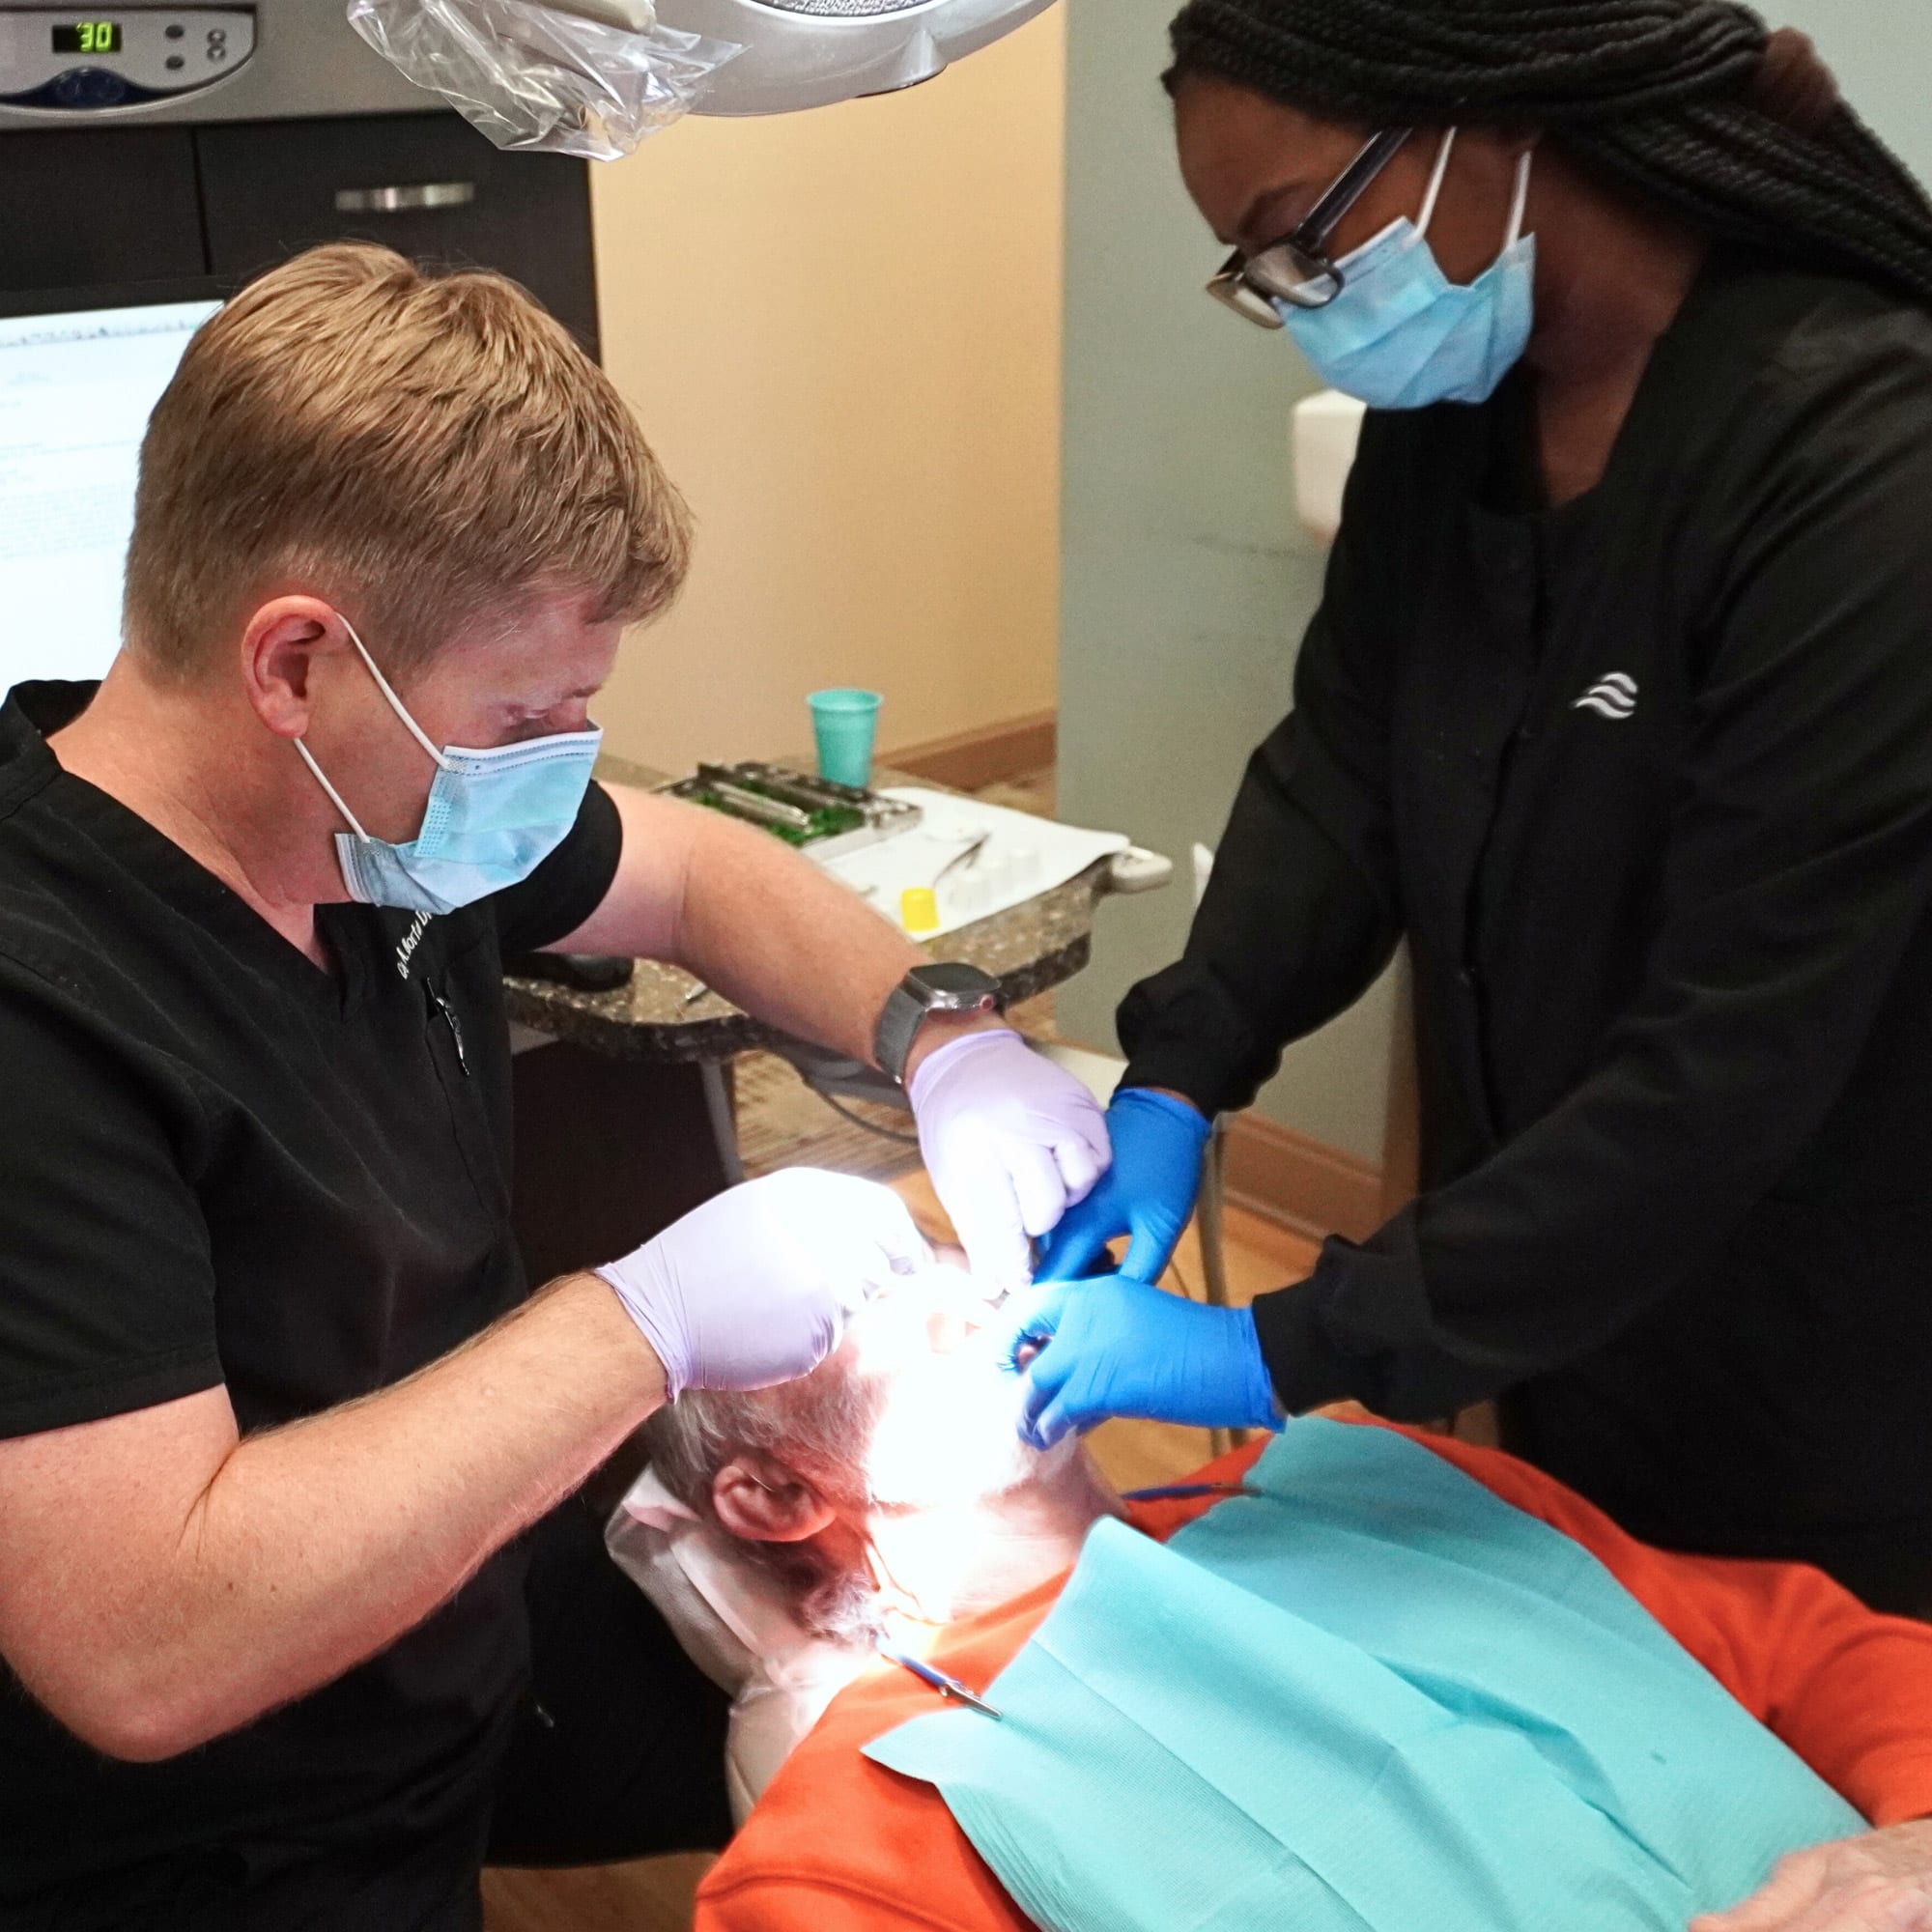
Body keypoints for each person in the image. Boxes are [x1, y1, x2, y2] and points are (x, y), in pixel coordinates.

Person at [0, 242, 1110, 1928]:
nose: (555, 767)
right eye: (526, 714)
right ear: (294, 665)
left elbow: (691, 872)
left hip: (452, 1647)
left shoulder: (374, 828)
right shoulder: (48, 1015)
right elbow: (143, 1648)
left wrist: (938, 1036)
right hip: (207, 1835)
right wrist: (644, 1321)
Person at [1022, 0, 1932, 1617]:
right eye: (1261, 273)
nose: (1300, 300)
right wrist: (1177, 1073)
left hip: (1831, 1307)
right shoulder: (1456, 425)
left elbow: (1734, 1059)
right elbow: (1345, 768)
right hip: (1570, 1271)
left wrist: (1278, 1345)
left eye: (1298, 240)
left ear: (1493, 115)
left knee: (1798, 1763)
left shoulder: (1866, 457)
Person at [623, 1271, 1932, 1931]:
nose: (966, 1295)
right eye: (869, 1310)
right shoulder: (853, 1842)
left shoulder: (1387, 1475)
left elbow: (1820, 1652)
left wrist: (1914, 1847)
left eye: (939, 1254)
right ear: (774, 1501)